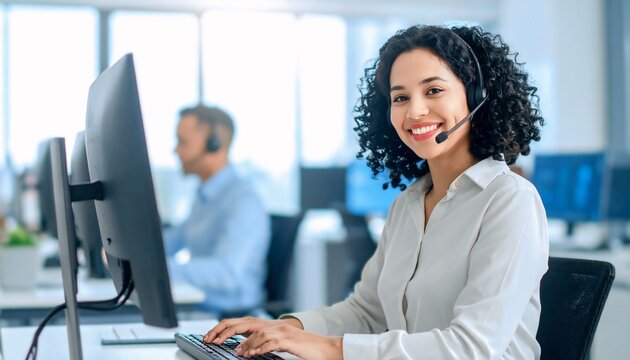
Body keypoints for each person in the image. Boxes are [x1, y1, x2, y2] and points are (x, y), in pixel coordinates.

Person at [202, 24, 549, 359]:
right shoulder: (408, 205)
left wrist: (328, 350)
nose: (414, 110)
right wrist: (285, 329)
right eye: (400, 97)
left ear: (477, 98)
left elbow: (472, 348)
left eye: (433, 90)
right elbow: (367, 312)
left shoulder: (509, 200)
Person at [163, 104, 271, 316]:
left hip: (230, 319)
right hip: (199, 311)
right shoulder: (205, 196)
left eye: (182, 142)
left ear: (214, 146)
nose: (175, 150)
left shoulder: (243, 201)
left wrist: (158, 269)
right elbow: (174, 241)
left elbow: (227, 273)